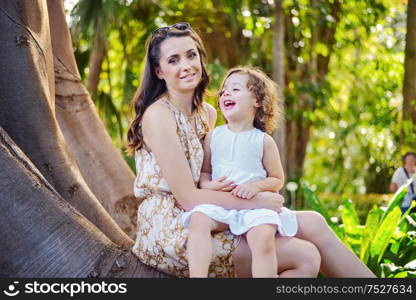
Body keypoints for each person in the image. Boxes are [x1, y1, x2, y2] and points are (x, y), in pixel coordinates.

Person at [127, 22, 374, 278]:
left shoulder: (207, 114)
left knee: (314, 222)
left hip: (213, 211)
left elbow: (214, 172)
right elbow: (188, 197)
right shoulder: (159, 115)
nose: (186, 65)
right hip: (173, 229)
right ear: (159, 71)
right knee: (305, 255)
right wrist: (257, 202)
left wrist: (254, 191)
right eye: (174, 60)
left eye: (191, 55)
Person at [181, 66, 297, 278]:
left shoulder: (263, 141)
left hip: (254, 207)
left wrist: (255, 186)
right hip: (221, 203)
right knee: (198, 219)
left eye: (235, 89)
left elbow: (277, 179)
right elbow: (205, 174)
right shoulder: (213, 137)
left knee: (262, 237)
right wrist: (209, 185)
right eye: (224, 90)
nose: (226, 93)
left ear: (258, 101)